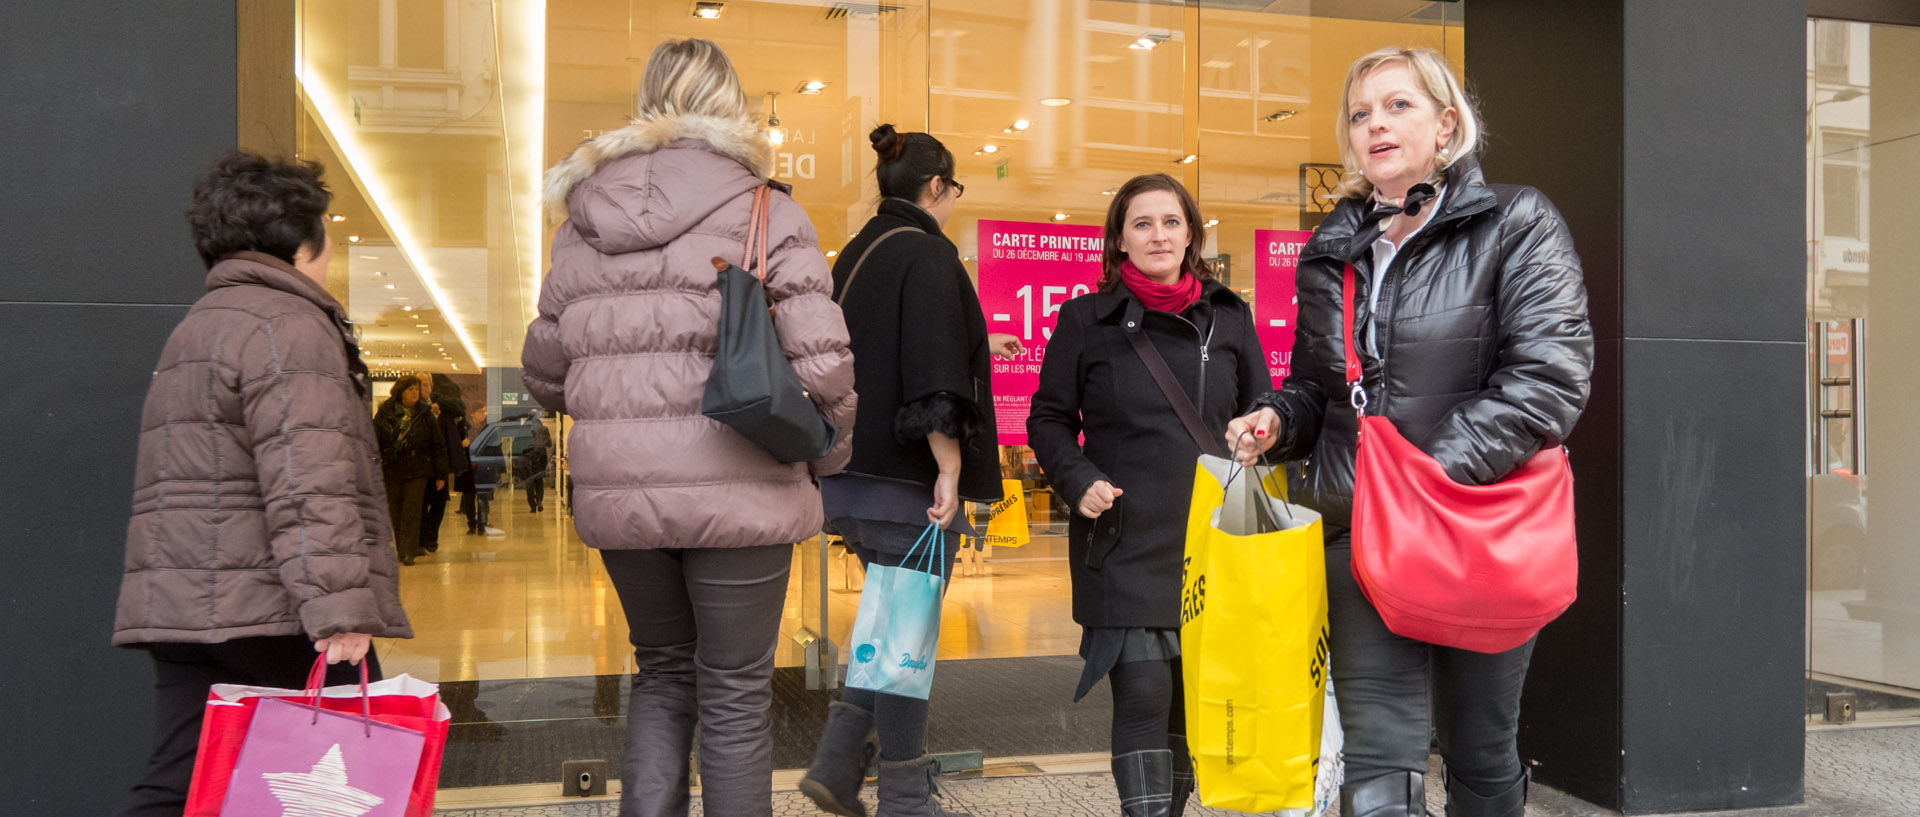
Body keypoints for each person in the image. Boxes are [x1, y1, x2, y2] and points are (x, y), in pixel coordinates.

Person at [1228, 47, 1593, 817]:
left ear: (1447, 124)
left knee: (1481, 751)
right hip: (1361, 535)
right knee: (1378, 768)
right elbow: (1318, 389)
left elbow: (1548, 379)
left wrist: (1425, 477)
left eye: (1397, 106)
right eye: (1360, 114)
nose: (1375, 125)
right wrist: (1277, 418)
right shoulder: (1332, 249)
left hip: (1476, 530)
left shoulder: (1515, 221)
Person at [522, 37, 857, 817]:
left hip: (624, 501)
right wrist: (828, 454)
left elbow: (544, 373)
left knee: (664, 673)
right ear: (733, 107)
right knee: (736, 694)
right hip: (744, 491)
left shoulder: (581, 222)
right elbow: (823, 366)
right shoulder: (768, 209)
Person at [113, 151, 411, 817]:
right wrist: (339, 607)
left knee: (177, 784)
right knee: (350, 779)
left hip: (188, 599)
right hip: (273, 606)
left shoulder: (200, 325)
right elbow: (310, 475)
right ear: (306, 241)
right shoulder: (290, 325)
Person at [1027, 173, 1272, 817]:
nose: (1158, 235)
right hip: (1124, 536)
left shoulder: (1229, 316)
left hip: (1212, 539)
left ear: (1191, 233)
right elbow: (1048, 419)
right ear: (1119, 240)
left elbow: (1262, 408)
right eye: (1142, 223)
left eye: (1170, 221)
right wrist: (1077, 481)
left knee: (1192, 702)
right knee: (1140, 697)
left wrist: (1260, 430)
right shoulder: (1086, 320)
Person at [799, 125, 1021, 817]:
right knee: (906, 643)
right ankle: (902, 794)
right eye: (953, 189)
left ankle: (838, 765)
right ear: (935, 188)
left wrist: (986, 340)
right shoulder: (927, 252)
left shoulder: (862, 252)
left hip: (852, 477)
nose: (952, 201)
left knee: (889, 626)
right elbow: (928, 366)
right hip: (909, 486)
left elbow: (878, 348)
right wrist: (949, 467)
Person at [375, 375, 449, 565]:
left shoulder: (425, 414)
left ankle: (408, 551)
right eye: (411, 389)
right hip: (393, 469)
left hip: (418, 468)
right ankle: (401, 548)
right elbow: (374, 442)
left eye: (417, 389)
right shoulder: (384, 413)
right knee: (396, 510)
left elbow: (437, 444)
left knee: (412, 510)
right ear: (400, 392)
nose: (415, 392)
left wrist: (441, 473)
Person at [419, 373, 466, 551]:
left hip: (441, 463)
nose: (422, 389)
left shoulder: (441, 403)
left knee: (439, 502)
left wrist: (438, 403)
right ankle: (423, 539)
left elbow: (460, 407)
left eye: (425, 385)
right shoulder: (414, 409)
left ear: (431, 386)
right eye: (419, 385)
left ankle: (430, 538)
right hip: (422, 465)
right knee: (422, 504)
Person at [458, 404, 491, 534]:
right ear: (472, 413)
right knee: (469, 497)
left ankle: (482, 525)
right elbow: (454, 444)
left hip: (483, 467)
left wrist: (500, 467)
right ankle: (471, 524)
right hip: (467, 467)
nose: (483, 414)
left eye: (484, 412)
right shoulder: (463, 426)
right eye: (480, 411)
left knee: (483, 497)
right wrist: (461, 445)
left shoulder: (488, 428)